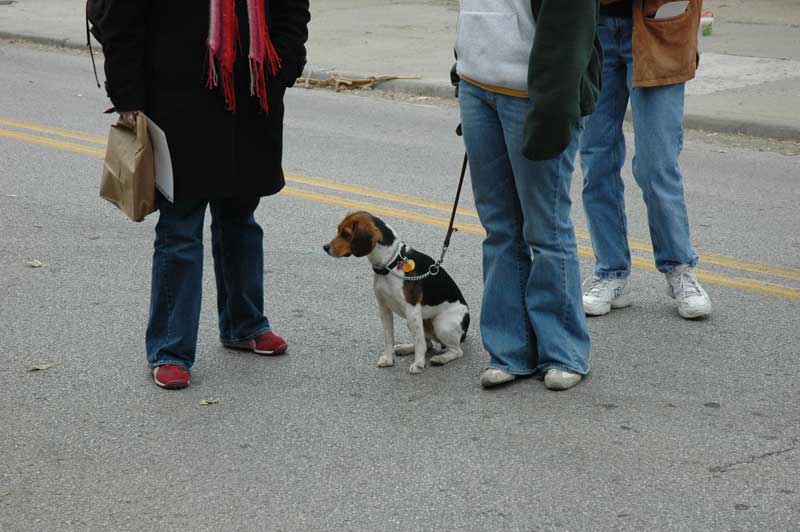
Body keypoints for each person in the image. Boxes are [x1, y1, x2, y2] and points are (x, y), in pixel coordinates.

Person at [101, 0, 311, 389]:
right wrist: (128, 95)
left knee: (240, 216)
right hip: (177, 99)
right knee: (181, 226)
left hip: (252, 95)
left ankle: (244, 324)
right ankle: (170, 349)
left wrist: (283, 63)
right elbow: (118, 17)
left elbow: (292, 8)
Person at [455, 0, 602, 390]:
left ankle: (563, 352)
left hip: (535, 96)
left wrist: (554, 108)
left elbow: (572, 26)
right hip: (476, 86)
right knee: (500, 229)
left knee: (546, 230)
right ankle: (509, 351)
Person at [580, 0, 712, 319]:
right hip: (591, 26)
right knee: (596, 162)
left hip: (660, 26)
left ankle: (679, 268)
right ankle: (610, 272)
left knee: (657, 165)